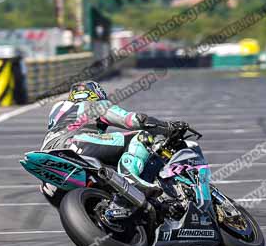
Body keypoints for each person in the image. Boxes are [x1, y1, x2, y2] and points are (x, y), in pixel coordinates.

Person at [41, 80, 181, 207]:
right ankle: (130, 178)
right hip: (77, 144)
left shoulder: (57, 109)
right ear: (97, 94)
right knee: (141, 136)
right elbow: (133, 120)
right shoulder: (96, 105)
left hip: (48, 160)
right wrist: (166, 127)